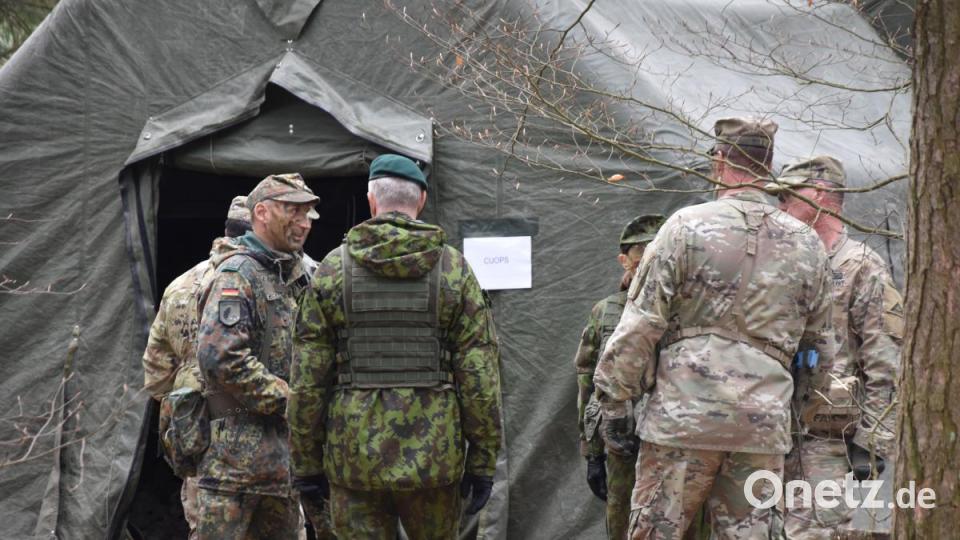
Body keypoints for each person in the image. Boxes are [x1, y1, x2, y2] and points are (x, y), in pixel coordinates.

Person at [593, 117, 836, 540]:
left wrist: (614, 403)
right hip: (760, 424)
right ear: (768, 166)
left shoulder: (685, 227)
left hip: (681, 420)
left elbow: (641, 325)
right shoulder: (808, 244)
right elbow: (818, 349)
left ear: (720, 161)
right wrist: (795, 415)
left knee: (656, 531)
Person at [288, 154, 503, 539]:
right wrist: (483, 461)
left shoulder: (332, 271)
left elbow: (308, 380)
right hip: (435, 459)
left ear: (371, 201)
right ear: (420, 201)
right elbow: (480, 377)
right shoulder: (453, 269)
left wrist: (306, 465)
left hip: (354, 460)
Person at [775, 156, 902, 539]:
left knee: (816, 531)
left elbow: (885, 360)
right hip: (772, 428)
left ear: (819, 195)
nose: (779, 206)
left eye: (786, 196)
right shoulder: (784, 263)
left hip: (826, 436)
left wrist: (874, 439)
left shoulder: (862, 266)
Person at [195, 174, 319, 539]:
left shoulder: (297, 277)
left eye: (308, 214)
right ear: (261, 213)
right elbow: (221, 357)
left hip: (283, 467)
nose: (303, 223)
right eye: (292, 212)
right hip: (235, 465)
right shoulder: (238, 274)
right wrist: (294, 402)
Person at [142, 195, 251, 540]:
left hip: (197, 431)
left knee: (204, 527)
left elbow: (156, 370)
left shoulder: (179, 286)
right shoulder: (265, 281)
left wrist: (185, 406)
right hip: (258, 430)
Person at [574, 214, 665, 540]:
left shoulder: (684, 310)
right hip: (621, 442)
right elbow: (588, 383)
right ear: (623, 260)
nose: (648, 269)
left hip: (673, 442)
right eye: (640, 260)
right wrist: (592, 453)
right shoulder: (606, 312)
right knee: (623, 526)